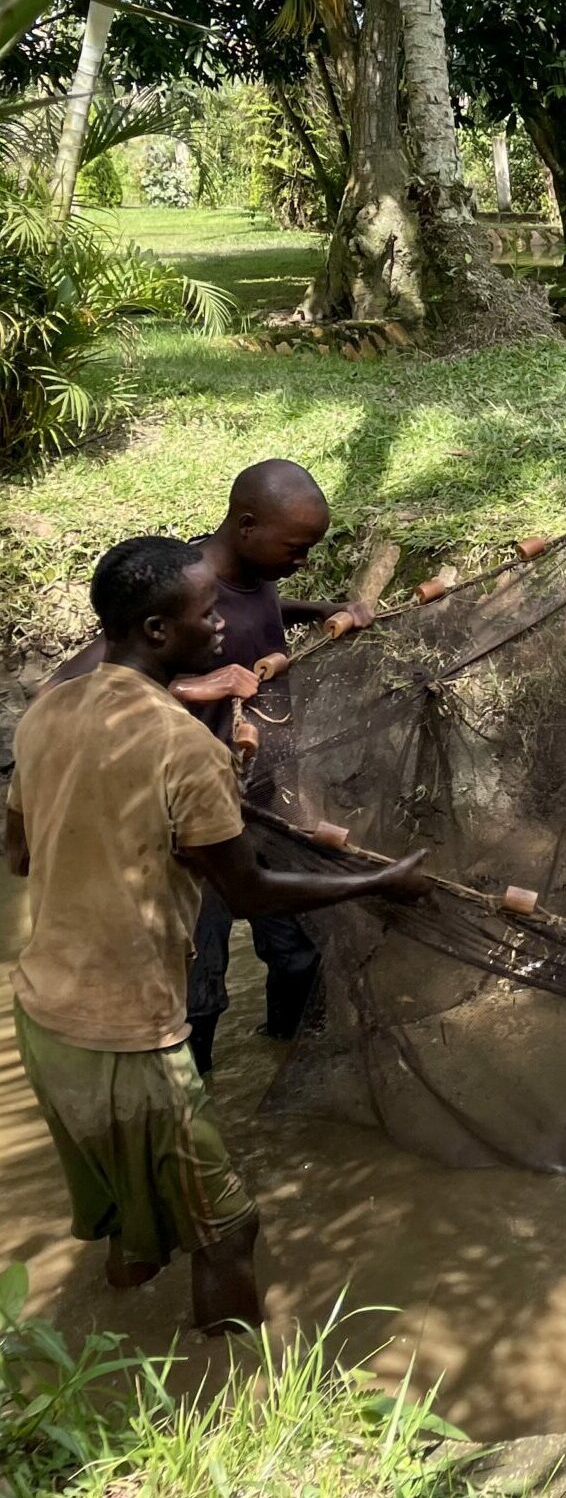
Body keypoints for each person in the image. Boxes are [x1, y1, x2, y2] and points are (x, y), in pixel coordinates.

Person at [6, 537, 425, 1333]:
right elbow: (251, 889)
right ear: (159, 632)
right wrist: (376, 881)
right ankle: (226, 1394)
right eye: (207, 616)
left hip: (42, 1022)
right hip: (126, 1034)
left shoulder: (49, 710)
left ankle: (104, 1352)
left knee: (135, 1232)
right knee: (230, 1230)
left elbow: (20, 853)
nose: (223, 629)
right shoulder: (181, 747)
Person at [42, 460, 367, 1075]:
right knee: (201, 981)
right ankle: (201, 1099)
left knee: (299, 952)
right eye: (296, 549)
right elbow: (68, 689)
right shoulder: (181, 587)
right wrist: (200, 687)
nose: (301, 560)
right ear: (247, 526)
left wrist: (320, 606)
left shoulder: (257, 574)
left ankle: (285, 1072)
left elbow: (262, 603)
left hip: (267, 802)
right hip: (190, 822)